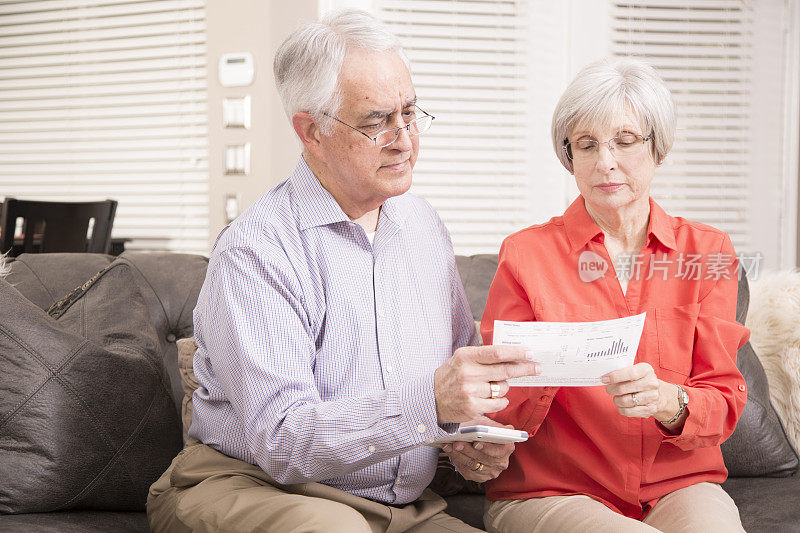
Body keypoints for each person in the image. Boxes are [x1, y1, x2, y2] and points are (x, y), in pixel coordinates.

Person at [146, 9, 540, 533]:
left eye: (411, 112)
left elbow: (459, 369)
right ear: (311, 131)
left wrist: (473, 437)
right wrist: (432, 399)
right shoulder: (258, 249)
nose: (405, 138)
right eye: (377, 121)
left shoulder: (423, 226)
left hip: (398, 506)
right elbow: (284, 440)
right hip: (253, 485)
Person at [480, 58, 749, 533]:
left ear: (657, 149)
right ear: (570, 157)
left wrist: (671, 402)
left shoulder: (708, 252)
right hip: (554, 489)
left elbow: (724, 396)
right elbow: (495, 401)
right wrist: (550, 371)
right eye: (587, 145)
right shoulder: (525, 254)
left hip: (679, 484)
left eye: (624, 142)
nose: (605, 161)